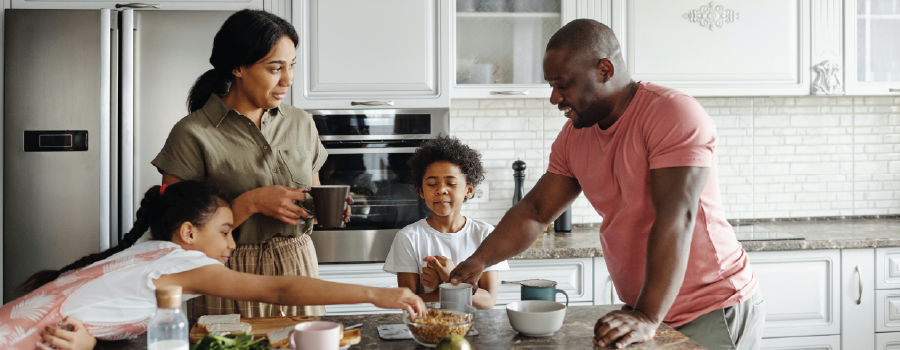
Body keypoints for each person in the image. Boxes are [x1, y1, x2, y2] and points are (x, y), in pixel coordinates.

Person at [448, 19, 763, 350]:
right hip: (647, 312)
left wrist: (645, 315)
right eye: (550, 85)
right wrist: (480, 260)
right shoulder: (575, 135)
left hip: (709, 307)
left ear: (605, 69)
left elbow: (675, 217)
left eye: (563, 84)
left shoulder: (671, 113)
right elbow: (536, 211)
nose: (554, 98)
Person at [1, 181, 424, 350]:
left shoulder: (143, 254)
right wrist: (382, 294)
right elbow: (280, 290)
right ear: (187, 233)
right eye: (224, 231)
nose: (232, 242)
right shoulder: (181, 261)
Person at [151, 9, 348, 318]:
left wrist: (324, 207)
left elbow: (312, 194)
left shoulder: (301, 123)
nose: (288, 79)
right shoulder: (192, 134)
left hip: (299, 266)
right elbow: (175, 235)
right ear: (238, 67)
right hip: (229, 274)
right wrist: (251, 202)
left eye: (291, 66)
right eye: (275, 68)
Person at [383, 135, 508, 310]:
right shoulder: (408, 237)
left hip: (477, 330)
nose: (441, 190)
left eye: (451, 183)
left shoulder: (485, 234)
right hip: (429, 330)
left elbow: (487, 301)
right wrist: (451, 285)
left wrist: (449, 279)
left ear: (469, 190)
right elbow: (408, 303)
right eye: (432, 184)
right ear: (421, 191)